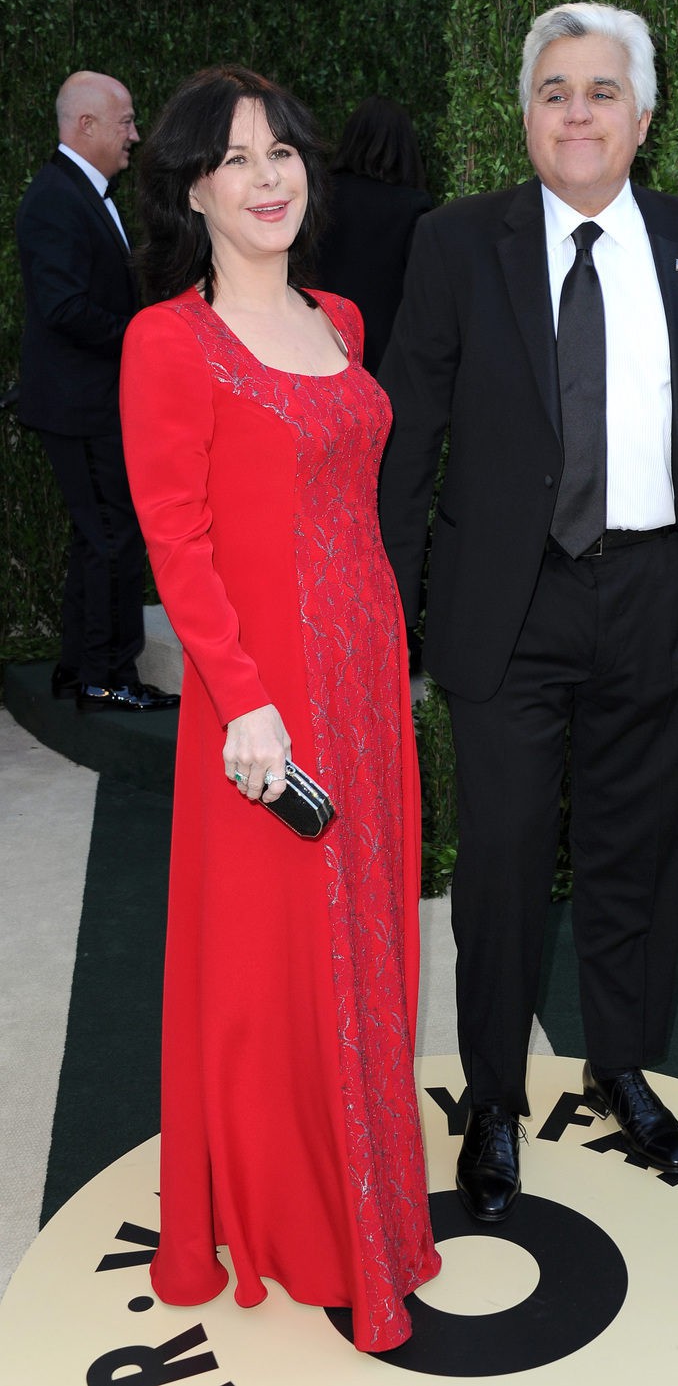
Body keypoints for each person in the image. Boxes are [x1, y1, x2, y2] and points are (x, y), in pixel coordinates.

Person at [378, 2, 678, 1224]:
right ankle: (491, 1100)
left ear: (641, 117)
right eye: (554, 90)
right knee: (496, 866)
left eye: (601, 91)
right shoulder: (455, 245)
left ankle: (618, 1070)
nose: (577, 112)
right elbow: (403, 447)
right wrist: (388, 625)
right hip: (508, 610)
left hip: (663, 599)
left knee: (635, 860)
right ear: (525, 114)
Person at [119, 65, 440, 1351]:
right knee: (269, 968)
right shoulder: (167, 340)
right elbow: (177, 535)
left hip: (366, 681)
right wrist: (242, 703)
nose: (269, 178)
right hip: (264, 706)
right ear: (194, 186)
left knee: (363, 942)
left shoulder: (346, 319)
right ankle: (292, 1215)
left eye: (283, 153)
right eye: (237, 159)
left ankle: (360, 1194)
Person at [15, 70, 178, 710]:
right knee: (114, 534)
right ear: (86, 126)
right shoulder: (58, 197)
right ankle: (109, 678)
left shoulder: (76, 193)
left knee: (97, 535)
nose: (134, 135)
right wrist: (144, 334)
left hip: (85, 402)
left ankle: (80, 668)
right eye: (126, 121)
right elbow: (63, 308)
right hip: (81, 406)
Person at [313, 96, 432, 374]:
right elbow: (422, 297)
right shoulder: (412, 207)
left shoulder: (316, 197)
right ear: (405, 146)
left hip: (313, 345)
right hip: (383, 361)